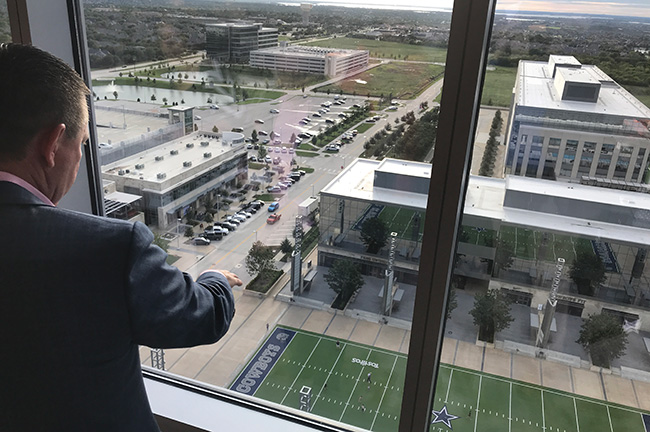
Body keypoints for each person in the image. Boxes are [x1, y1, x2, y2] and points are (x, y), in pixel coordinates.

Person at [0, 43, 242, 432]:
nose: (80, 160)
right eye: (80, 145)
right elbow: (201, 319)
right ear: (51, 145)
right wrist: (214, 281)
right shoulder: (108, 248)